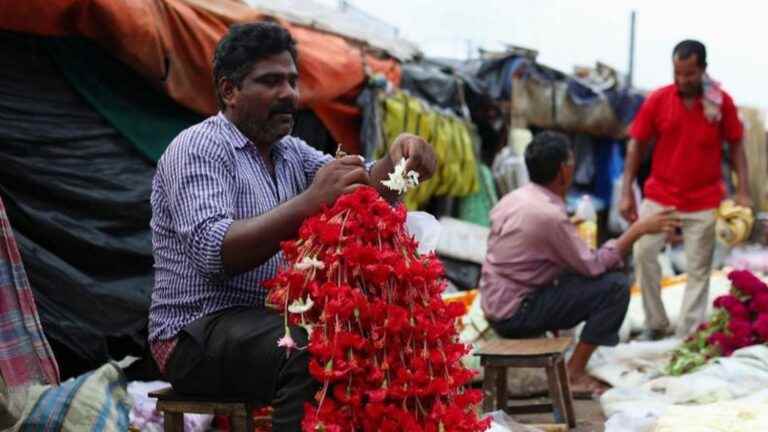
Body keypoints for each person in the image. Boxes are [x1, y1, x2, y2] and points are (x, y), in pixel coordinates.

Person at [147, 22, 437, 431]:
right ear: (229, 91)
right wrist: (310, 202)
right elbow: (215, 252)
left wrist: (400, 160)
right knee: (313, 349)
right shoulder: (197, 148)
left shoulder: (288, 152)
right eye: (270, 81)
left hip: (262, 324)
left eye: (292, 81)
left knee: (365, 336)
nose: (289, 94)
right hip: (194, 335)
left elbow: (363, 188)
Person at [480, 131, 679, 396]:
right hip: (516, 313)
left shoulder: (515, 198)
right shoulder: (548, 215)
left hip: (495, 302)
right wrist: (637, 230)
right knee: (615, 287)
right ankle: (574, 372)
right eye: (571, 162)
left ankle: (571, 360)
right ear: (563, 170)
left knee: (582, 277)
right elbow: (593, 266)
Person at [620, 40, 750, 340]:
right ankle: (655, 324)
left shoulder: (722, 103)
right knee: (644, 252)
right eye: (677, 73)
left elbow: (737, 145)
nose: (682, 80)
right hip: (660, 196)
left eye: (689, 74)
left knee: (699, 268)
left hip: (704, 200)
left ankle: (687, 334)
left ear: (702, 69)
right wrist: (626, 190)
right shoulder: (658, 99)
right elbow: (636, 144)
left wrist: (743, 190)